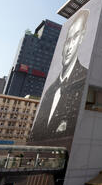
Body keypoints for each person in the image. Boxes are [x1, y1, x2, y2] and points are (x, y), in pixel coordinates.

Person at [31, 9, 90, 142]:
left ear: (82, 37)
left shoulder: (85, 78)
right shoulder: (49, 91)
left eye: (75, 37)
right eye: (68, 40)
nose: (69, 46)